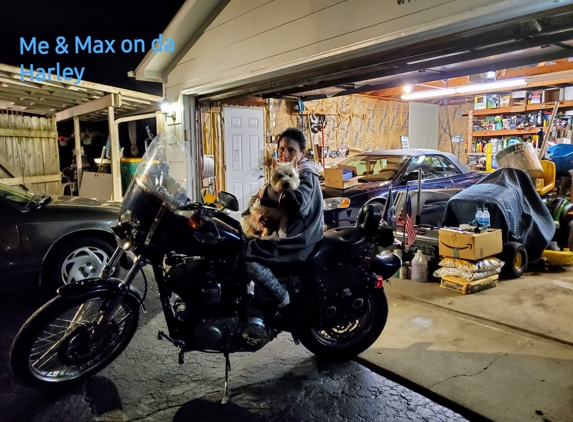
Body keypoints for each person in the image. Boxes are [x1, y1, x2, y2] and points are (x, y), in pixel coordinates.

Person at [243, 128, 323, 329]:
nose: (285, 155)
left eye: (291, 150)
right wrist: (257, 215)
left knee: (247, 254)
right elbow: (257, 199)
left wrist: (273, 191)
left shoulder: (306, 175)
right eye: (281, 149)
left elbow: (298, 204)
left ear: (302, 153)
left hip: (297, 239)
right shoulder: (283, 173)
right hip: (284, 233)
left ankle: (284, 300)